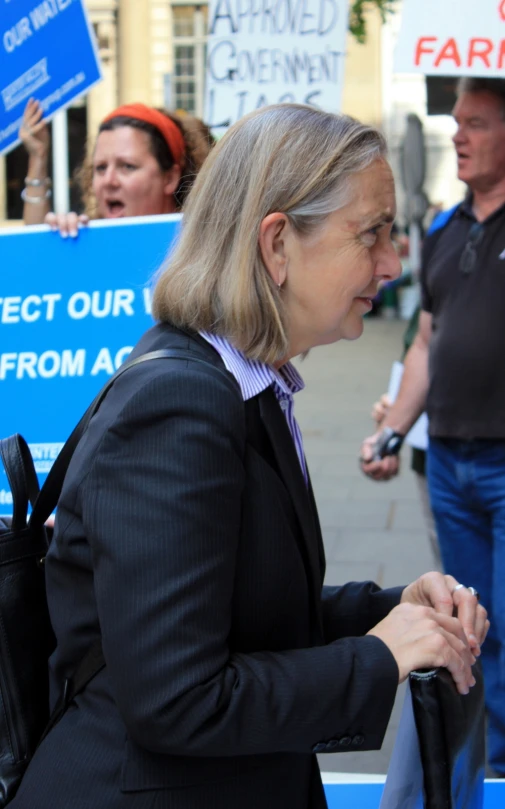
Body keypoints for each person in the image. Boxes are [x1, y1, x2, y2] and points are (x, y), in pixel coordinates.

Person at [12, 104, 487, 809]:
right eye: (371, 234)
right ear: (275, 245)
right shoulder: (180, 402)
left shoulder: (243, 384)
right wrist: (381, 655)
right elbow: (178, 698)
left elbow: (235, 606)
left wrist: (388, 611)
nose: (390, 263)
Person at [360, 77, 505, 776]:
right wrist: (395, 428)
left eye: (475, 122)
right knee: (469, 630)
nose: (458, 135)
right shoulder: (446, 229)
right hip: (449, 461)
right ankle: (473, 769)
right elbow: (425, 340)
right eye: (456, 120)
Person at [19, 98, 213, 235]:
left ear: (170, 178)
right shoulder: (86, 241)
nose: (109, 181)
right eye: (101, 168)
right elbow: (35, 263)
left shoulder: (202, 249)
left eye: (127, 167)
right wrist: (57, 240)